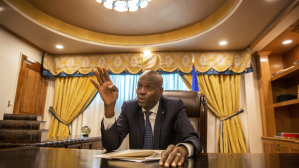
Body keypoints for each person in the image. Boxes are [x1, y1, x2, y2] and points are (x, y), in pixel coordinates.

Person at [90, 66, 201, 167]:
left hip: (165, 165)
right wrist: (109, 106)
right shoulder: (129, 107)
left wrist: (182, 149)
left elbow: (193, 138)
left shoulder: (174, 106)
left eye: (149, 87)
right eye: (139, 86)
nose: (141, 92)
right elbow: (111, 145)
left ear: (160, 92)